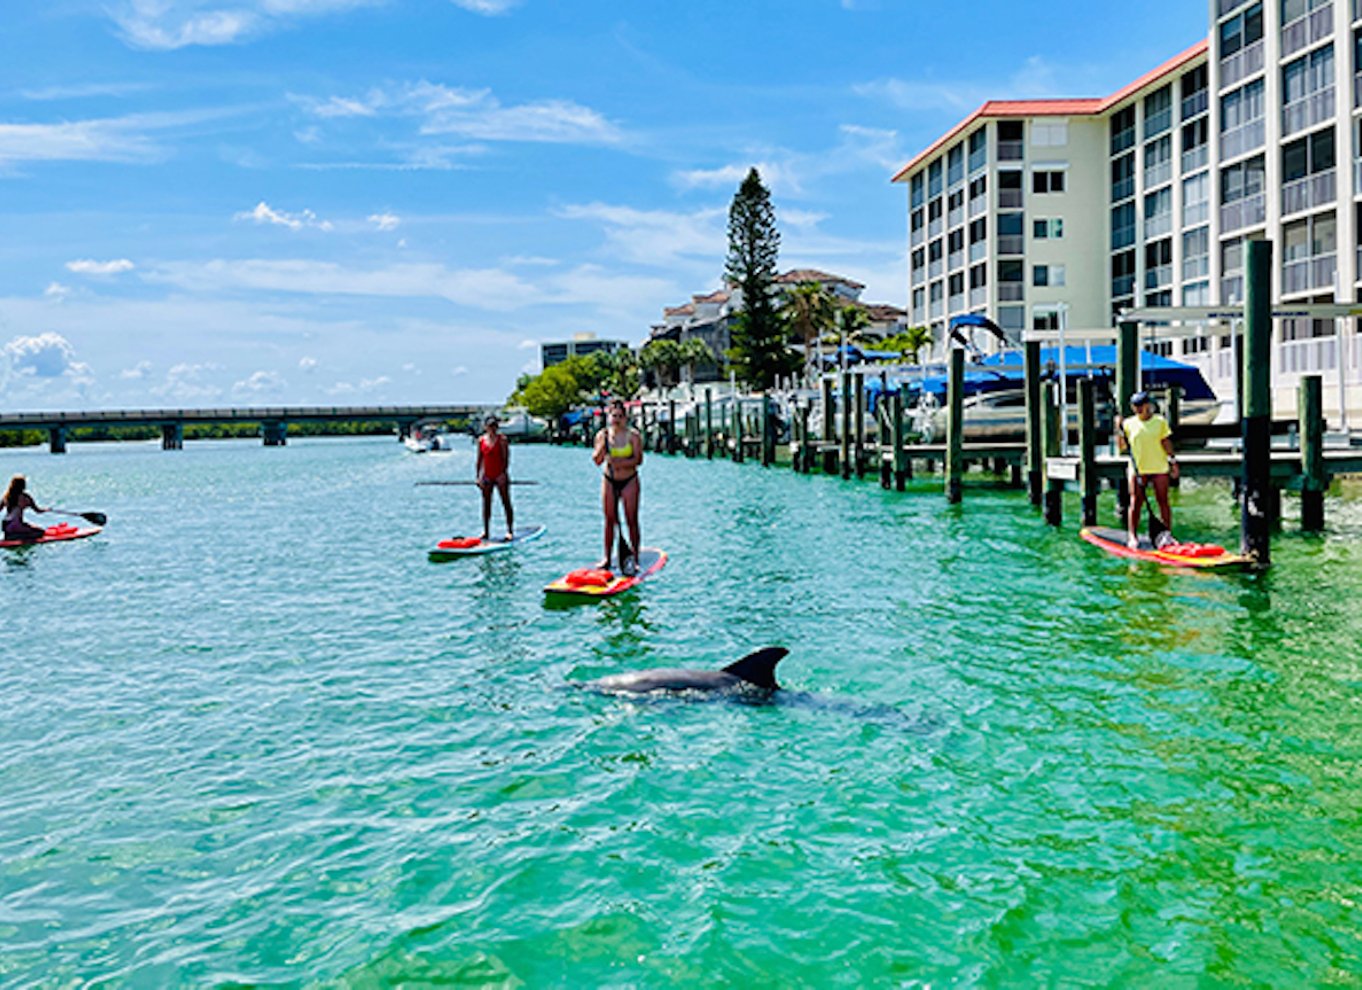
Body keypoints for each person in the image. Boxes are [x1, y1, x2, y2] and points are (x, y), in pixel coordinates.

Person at [1116, 390, 1179, 549]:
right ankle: (1132, 536)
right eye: (1134, 406)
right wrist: (1119, 431)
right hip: (1138, 468)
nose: (1137, 409)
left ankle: (1167, 535)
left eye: (1140, 405)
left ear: (1148, 405)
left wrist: (1173, 461)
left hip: (1159, 467)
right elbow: (1122, 447)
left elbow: (1166, 443)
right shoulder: (1129, 423)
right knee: (1135, 502)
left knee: (1162, 501)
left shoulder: (1160, 421)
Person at [592, 399, 643, 574]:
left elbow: (638, 460)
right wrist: (602, 450)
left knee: (631, 520)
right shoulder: (602, 435)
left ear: (626, 418)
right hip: (609, 480)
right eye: (614, 416)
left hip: (629, 480)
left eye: (620, 416)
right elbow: (597, 460)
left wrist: (619, 463)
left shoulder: (633, 436)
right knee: (609, 520)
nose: (617, 420)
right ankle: (606, 557)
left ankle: (635, 557)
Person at [475, 415, 514, 541]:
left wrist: (503, 474)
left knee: (505, 502)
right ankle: (486, 531)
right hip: (487, 475)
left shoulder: (502, 440)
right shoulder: (481, 440)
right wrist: (478, 477)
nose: (492, 429)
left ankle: (509, 530)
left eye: (494, 426)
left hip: (499, 475)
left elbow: (506, 458)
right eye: (490, 426)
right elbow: (479, 460)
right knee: (486, 504)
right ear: (486, 427)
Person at [2, 475, 48, 542]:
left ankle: (11, 535)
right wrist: (46, 510)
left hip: (5, 525)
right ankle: (15, 536)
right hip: (16, 525)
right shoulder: (25, 497)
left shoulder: (7, 496)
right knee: (40, 532)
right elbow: (37, 510)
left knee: (25, 527)